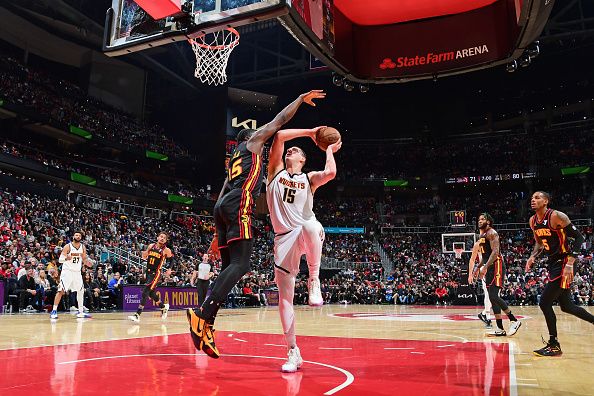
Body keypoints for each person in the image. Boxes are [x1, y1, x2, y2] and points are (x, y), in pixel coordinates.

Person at [187, 89, 326, 359]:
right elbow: (279, 121)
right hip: (238, 203)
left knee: (229, 267)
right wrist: (298, 100)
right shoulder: (251, 145)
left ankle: (207, 325)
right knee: (242, 265)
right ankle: (202, 315)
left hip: (221, 206)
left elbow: (223, 190)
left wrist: (219, 230)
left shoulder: (234, 160)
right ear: (251, 139)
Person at [266, 127, 342, 372]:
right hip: (283, 240)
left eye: (297, 151)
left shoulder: (308, 179)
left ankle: (314, 280)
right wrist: (310, 132)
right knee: (285, 299)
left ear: (303, 160)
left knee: (311, 224)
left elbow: (331, 172)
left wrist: (329, 149)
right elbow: (278, 137)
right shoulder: (275, 174)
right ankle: (292, 351)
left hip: (304, 232)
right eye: (290, 150)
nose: (292, 149)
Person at [526, 191, 593, 356]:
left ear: (546, 201)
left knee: (544, 302)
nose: (533, 200)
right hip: (553, 263)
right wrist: (532, 257)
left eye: (537, 198)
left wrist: (570, 262)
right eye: (532, 198)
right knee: (567, 306)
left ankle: (554, 344)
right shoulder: (533, 221)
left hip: (564, 263)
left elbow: (579, 238)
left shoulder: (556, 216)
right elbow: (539, 243)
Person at [473, 214, 522, 337]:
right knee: (492, 297)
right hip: (489, 267)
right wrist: (478, 267)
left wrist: (485, 267)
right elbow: (485, 256)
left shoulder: (492, 233)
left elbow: (495, 253)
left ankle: (514, 320)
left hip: (497, 266)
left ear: (489, 221)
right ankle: (500, 329)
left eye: (483, 219)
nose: (480, 221)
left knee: (494, 295)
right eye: (479, 219)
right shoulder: (481, 235)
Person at [128, 232, 173, 323]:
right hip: (148, 272)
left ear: (165, 240)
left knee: (145, 291)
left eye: (164, 237)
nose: (162, 238)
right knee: (151, 293)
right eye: (161, 236)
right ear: (157, 237)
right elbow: (145, 256)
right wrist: (143, 254)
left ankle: (137, 314)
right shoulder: (151, 246)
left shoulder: (166, 250)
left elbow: (172, 259)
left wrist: (169, 269)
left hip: (156, 273)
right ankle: (163, 307)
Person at [50, 231, 93, 319]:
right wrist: (66, 258)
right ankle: (54, 311)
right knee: (61, 290)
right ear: (73, 236)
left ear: (81, 238)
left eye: (79, 235)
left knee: (81, 290)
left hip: (77, 272)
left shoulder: (82, 247)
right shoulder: (68, 246)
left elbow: (84, 259)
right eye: (76, 235)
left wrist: (87, 263)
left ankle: (80, 312)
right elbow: (60, 260)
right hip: (67, 271)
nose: (78, 236)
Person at [468, 240, 493, 328]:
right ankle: (488, 318)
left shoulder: (493, 239)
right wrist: (470, 274)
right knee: (488, 293)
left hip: (494, 268)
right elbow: (472, 259)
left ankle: (483, 314)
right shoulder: (478, 244)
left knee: (495, 295)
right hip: (484, 269)